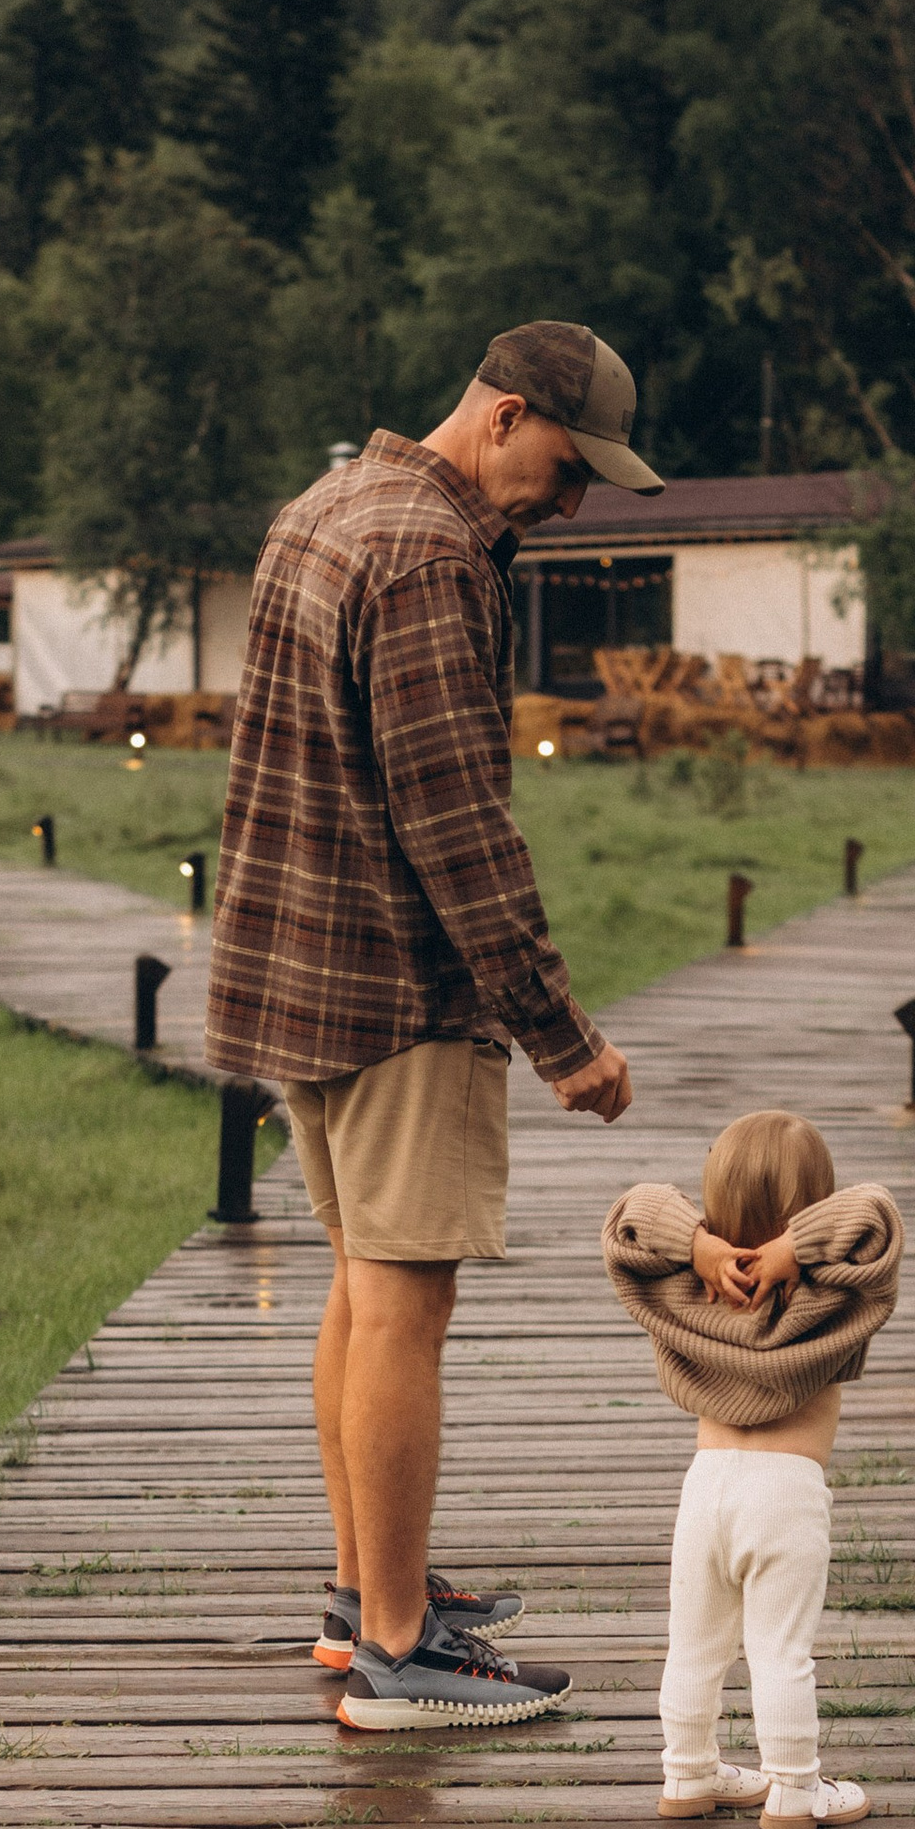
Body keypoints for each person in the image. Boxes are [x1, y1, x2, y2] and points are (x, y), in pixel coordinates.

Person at [207, 323, 655, 1732]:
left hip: (303, 972)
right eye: (568, 470)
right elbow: (456, 823)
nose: (573, 505)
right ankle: (402, 1653)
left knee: (360, 1284)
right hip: (402, 987)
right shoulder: (432, 555)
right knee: (407, 1305)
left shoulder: (329, 505)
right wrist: (558, 1030)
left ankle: (365, 1596)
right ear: (506, 414)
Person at [602, 1107, 902, 1829]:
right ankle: (794, 1794)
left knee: (694, 1646)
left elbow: (630, 1216)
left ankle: (688, 1775)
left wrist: (697, 1248)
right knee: (780, 1655)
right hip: (786, 1494)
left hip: (706, 1489)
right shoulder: (832, 1296)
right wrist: (798, 1251)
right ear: (816, 1210)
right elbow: (878, 1215)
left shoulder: (683, 1291)